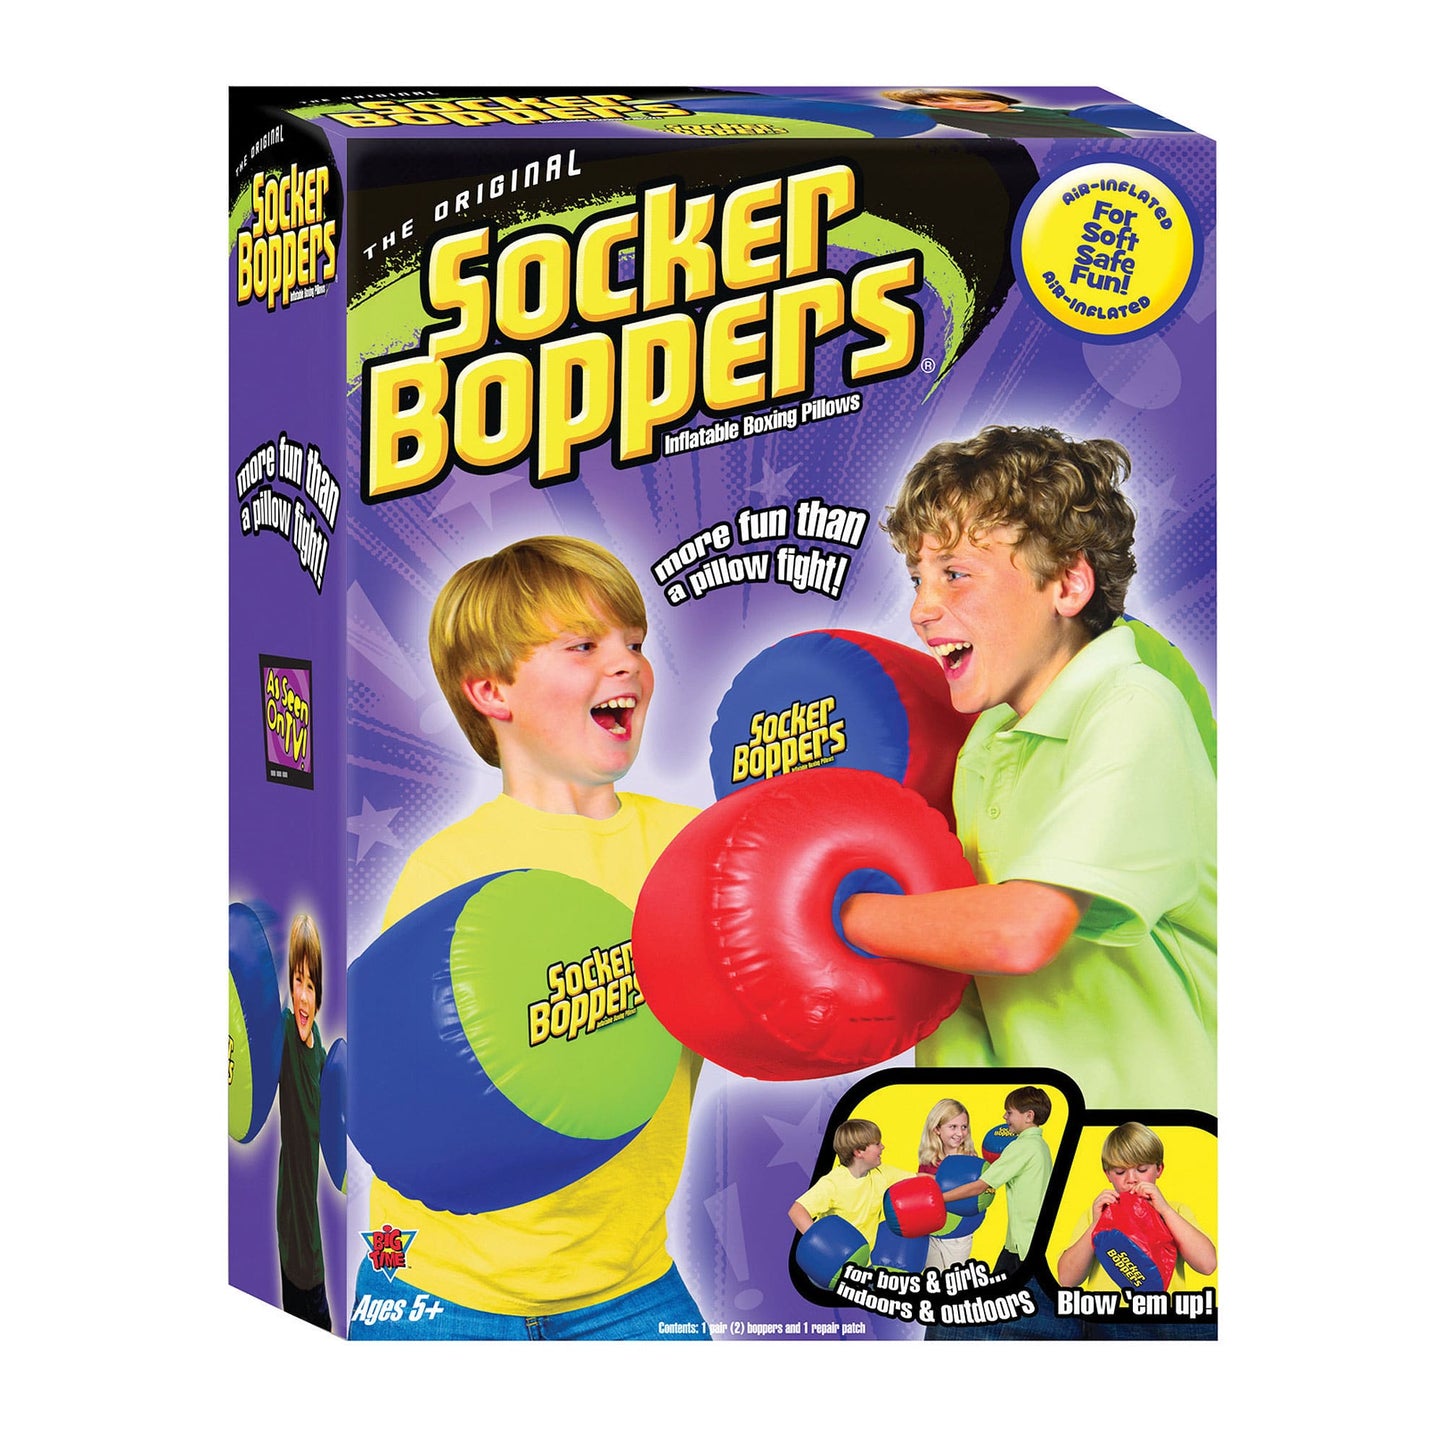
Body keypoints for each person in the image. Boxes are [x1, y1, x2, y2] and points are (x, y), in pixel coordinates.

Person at [361, 535, 706, 1340]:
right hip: (440, 1289)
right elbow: (398, 1091)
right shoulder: (449, 868)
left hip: (630, 1285)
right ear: (491, 690)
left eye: (633, 642)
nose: (624, 664)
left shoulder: (691, 849)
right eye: (582, 646)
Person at [839, 426, 1216, 1115]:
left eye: (955, 573)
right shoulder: (987, 742)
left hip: (1168, 1141)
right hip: (1039, 1145)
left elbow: (1022, 931)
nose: (921, 608)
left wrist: (842, 912)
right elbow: (967, 983)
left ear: (1068, 584)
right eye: (918, 578)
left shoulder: (1132, 707)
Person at [1055, 1122, 1217, 1340]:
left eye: (1142, 1170)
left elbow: (1207, 1264)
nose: (1131, 1179)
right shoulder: (1096, 1214)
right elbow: (1066, 1280)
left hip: (1164, 1317)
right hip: (1108, 1318)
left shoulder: (1175, 1211)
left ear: (1159, 1169)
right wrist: (1096, 1225)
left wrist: (1165, 1210)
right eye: (1120, 1171)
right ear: (1107, 1174)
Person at [276, 913, 331, 1331]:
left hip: (310, 1226)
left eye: (310, 986)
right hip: (295, 1234)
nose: (303, 997)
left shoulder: (320, 1051)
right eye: (297, 981)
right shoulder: (282, 1032)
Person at [788, 1119, 912, 1241]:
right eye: (877, 1144)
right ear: (859, 1152)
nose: (883, 1147)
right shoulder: (833, 1183)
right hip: (838, 1252)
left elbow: (916, 1178)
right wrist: (822, 1243)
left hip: (864, 1253)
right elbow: (797, 1211)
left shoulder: (881, 1173)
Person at [880, 88, 1125, 139]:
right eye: (945, 106)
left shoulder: (1038, 111)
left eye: (965, 100)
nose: (961, 106)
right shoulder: (993, 124)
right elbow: (915, 114)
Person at [917, 1099, 979, 1272]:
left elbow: (974, 1196)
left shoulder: (970, 1160)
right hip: (931, 1232)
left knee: (952, 1278)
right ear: (937, 1129)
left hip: (958, 1235)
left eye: (964, 1127)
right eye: (953, 1127)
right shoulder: (929, 1160)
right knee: (932, 1277)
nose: (960, 1133)